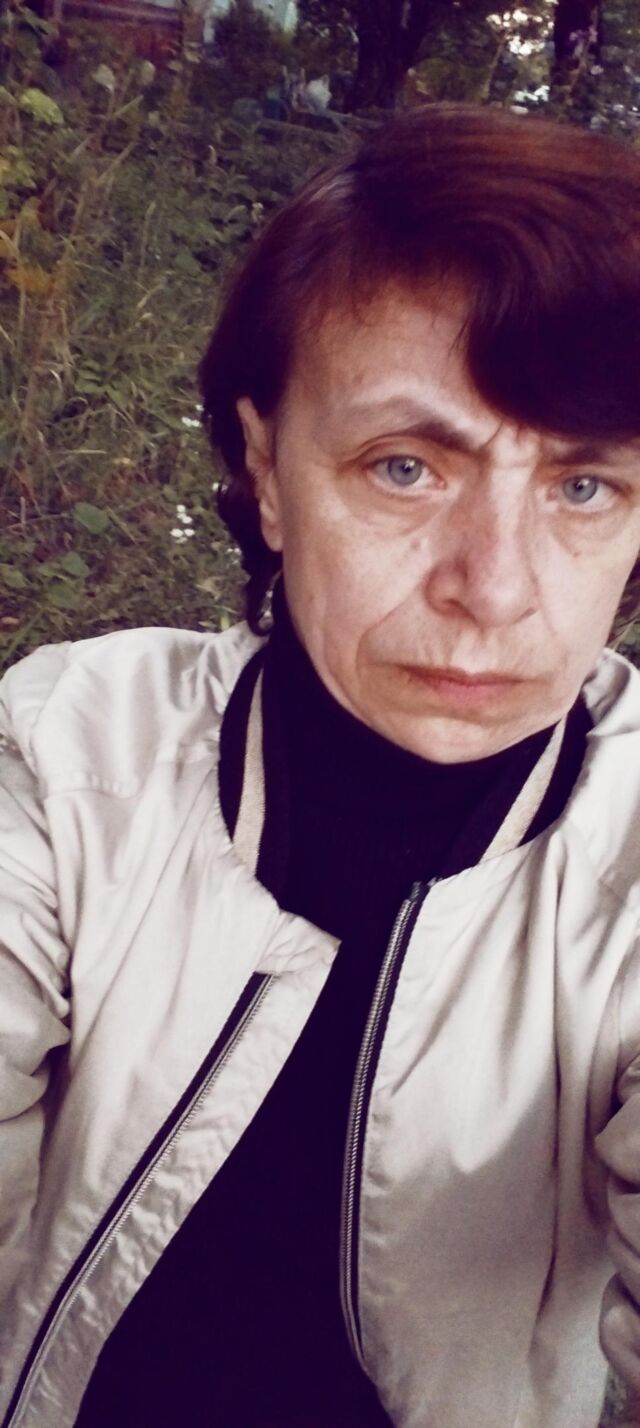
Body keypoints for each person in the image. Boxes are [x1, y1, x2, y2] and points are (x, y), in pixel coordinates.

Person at [2, 102, 640, 1428]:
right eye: (406, 467)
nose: (496, 589)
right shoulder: (71, 757)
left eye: (585, 487)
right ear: (267, 472)